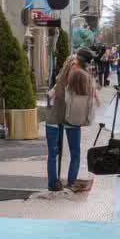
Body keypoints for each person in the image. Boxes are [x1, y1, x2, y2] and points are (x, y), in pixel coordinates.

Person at [45, 58, 98, 191]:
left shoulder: (63, 81)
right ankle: (63, 183)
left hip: (62, 121)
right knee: (66, 153)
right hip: (63, 122)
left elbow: (50, 95)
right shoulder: (75, 82)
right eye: (74, 66)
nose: (75, 69)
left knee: (60, 154)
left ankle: (62, 183)